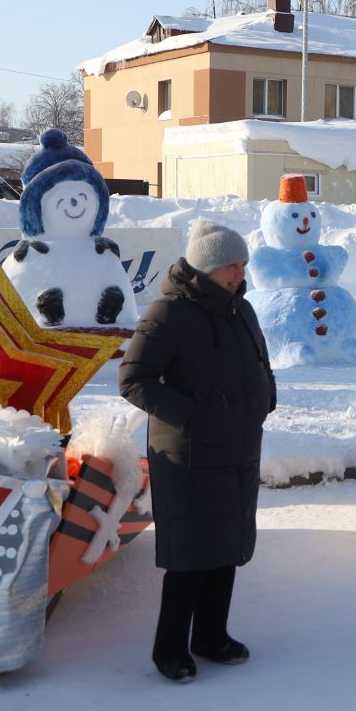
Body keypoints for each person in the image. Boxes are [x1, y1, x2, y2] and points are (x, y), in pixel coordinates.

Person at [119, 218, 276, 683]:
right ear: (206, 266)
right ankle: (170, 649)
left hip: (238, 447)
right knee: (189, 555)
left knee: (225, 546)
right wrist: (191, 415)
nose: (239, 273)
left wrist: (267, 395)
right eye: (231, 265)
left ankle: (212, 636)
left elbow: (260, 364)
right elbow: (133, 379)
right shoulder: (168, 314)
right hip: (187, 454)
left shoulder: (240, 311)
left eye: (243, 264)